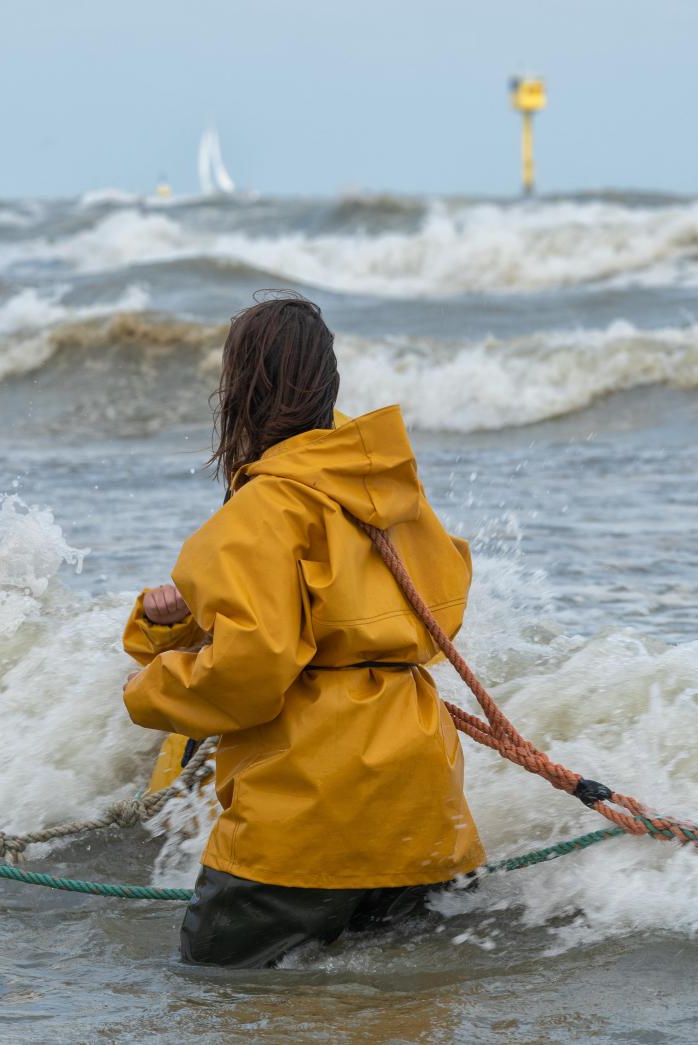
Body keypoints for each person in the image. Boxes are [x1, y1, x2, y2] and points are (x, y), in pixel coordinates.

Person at [121, 293, 482, 968]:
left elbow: (248, 674)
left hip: (308, 819)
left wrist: (146, 687)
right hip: (423, 804)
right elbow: (442, 602)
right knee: (399, 1002)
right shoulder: (383, 486)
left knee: (210, 991)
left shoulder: (260, 511)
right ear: (326, 382)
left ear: (241, 390)